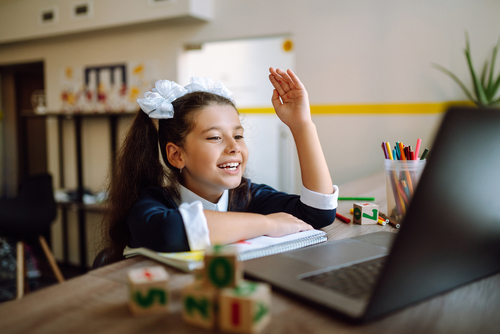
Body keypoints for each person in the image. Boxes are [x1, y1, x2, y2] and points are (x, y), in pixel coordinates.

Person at [101, 68, 338, 260]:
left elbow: (318, 213)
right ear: (176, 155)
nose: (233, 147)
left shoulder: (247, 195)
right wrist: (267, 223)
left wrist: (302, 125)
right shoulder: (154, 202)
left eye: (238, 136)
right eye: (215, 137)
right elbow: (170, 231)